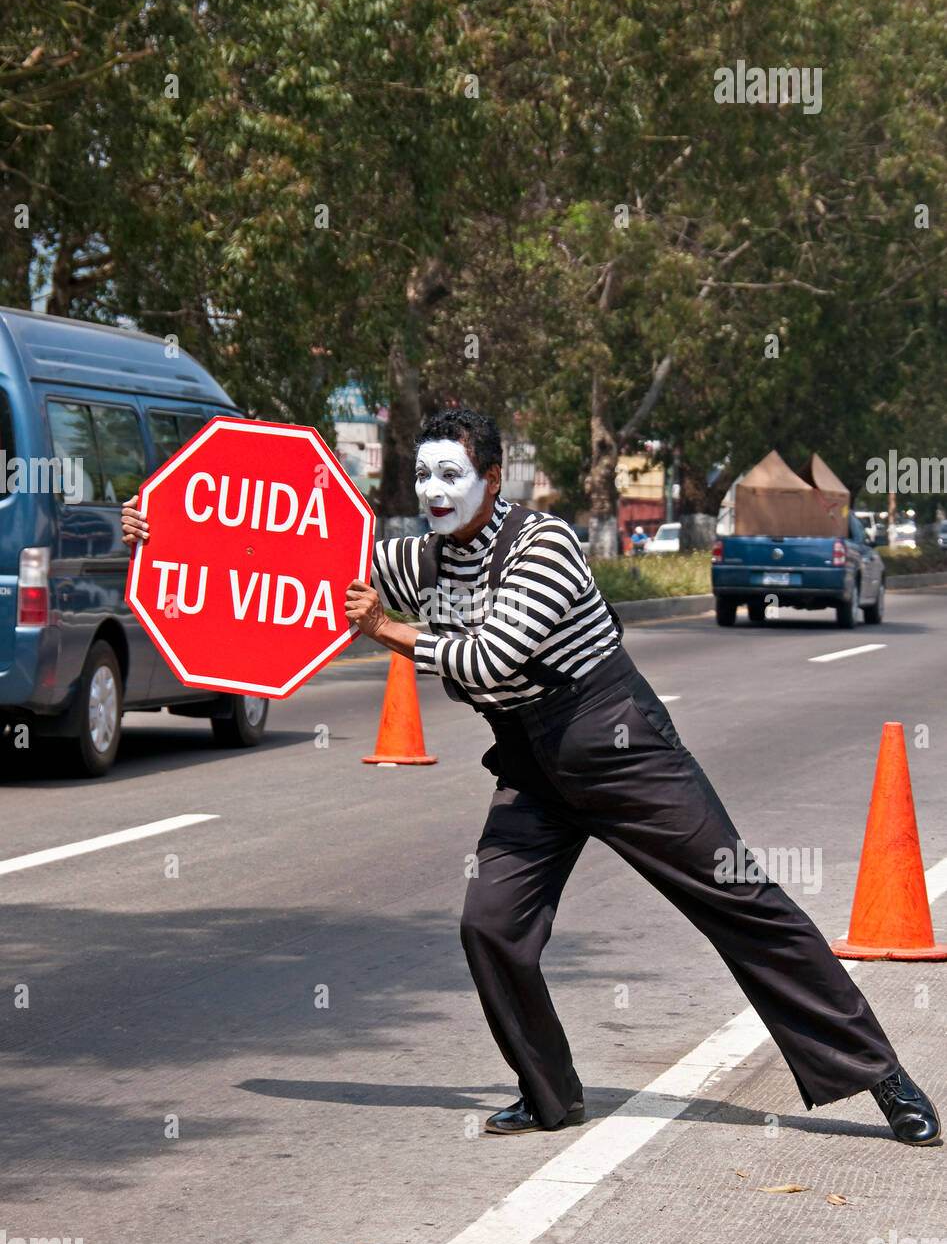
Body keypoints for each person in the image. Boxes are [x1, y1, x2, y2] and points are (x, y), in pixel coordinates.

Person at [121, 406, 940, 1144]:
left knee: (742, 903)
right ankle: (551, 1095)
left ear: (489, 478)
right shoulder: (427, 560)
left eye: (451, 475)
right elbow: (301, 566)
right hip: (531, 762)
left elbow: (489, 656)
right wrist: (166, 535)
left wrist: (384, 632)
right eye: (422, 476)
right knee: (489, 923)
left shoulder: (544, 543)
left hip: (619, 744)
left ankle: (880, 1076)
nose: (435, 491)